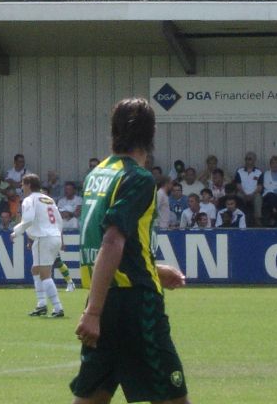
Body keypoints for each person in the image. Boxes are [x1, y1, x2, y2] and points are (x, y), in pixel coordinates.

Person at [72, 97, 188, 404]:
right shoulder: (137, 178)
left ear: (113, 132)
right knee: (172, 396)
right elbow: (112, 240)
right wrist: (92, 312)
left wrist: (153, 268)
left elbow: (105, 240)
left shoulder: (97, 174)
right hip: (134, 304)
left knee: (92, 397)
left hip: (105, 298)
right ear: (151, 137)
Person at [11, 174, 65, 318]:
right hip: (53, 236)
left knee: (45, 274)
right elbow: (59, 220)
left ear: (28, 185)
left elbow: (28, 219)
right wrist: (59, 235)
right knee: (35, 269)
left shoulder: (29, 199)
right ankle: (41, 304)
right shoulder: (48, 199)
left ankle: (58, 307)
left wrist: (16, 231)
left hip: (43, 237)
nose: (21, 187)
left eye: (23, 184)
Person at [234, 151, 263, 226]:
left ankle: (257, 219)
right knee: (238, 196)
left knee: (258, 198)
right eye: (246, 159)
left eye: (250, 159)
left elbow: (260, 187)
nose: (247, 161)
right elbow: (238, 185)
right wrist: (245, 194)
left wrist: (252, 195)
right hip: (243, 193)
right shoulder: (239, 171)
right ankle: (239, 217)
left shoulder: (259, 172)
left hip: (254, 194)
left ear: (254, 160)